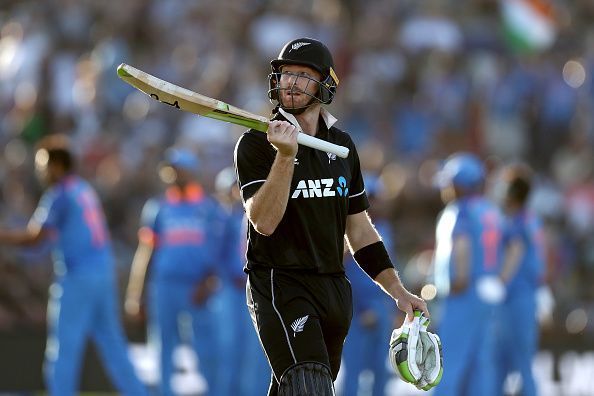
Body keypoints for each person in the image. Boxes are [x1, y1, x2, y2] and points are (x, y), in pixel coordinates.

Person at [233, 37, 428, 395]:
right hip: (280, 284)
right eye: (286, 73)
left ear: (325, 84)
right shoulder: (256, 144)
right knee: (310, 385)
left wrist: (398, 291)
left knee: (299, 387)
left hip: (334, 289)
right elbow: (264, 221)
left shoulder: (342, 146)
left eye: (303, 75)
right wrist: (285, 156)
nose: (291, 82)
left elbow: (359, 228)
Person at [0, 134, 148, 396]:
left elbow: (35, 239)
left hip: (78, 277)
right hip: (103, 274)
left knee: (64, 349)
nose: (39, 171)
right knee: (114, 346)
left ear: (57, 165)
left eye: (42, 164)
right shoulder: (83, 189)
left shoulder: (60, 194)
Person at [124, 147, 224, 396]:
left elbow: (220, 250)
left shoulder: (208, 208)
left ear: (191, 172)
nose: (173, 175)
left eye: (178, 169)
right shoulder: (158, 207)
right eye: (170, 170)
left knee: (204, 349)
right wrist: (136, 293)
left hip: (197, 288)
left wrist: (210, 281)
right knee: (162, 347)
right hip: (165, 286)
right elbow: (146, 252)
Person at [432, 152, 504, 396]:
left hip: (463, 294)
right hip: (486, 294)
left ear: (458, 184)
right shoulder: (490, 211)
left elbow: (461, 245)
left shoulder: (460, 211)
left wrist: (458, 279)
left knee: (448, 364)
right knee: (480, 367)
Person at [211, 166, 271, 396]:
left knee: (255, 351)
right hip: (230, 289)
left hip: (254, 289)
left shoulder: (255, 214)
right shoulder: (221, 218)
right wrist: (231, 275)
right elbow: (216, 255)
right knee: (228, 348)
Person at [341, 175, 397, 396]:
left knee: (380, 370)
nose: (372, 203)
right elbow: (341, 273)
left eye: (375, 197)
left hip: (381, 306)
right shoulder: (346, 230)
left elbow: (389, 269)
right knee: (353, 370)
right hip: (357, 308)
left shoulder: (384, 227)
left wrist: (391, 307)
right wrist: (363, 307)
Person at [495, 164, 545, 396]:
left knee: (508, 361)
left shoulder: (515, 221)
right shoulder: (531, 218)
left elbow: (515, 250)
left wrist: (499, 283)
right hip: (527, 296)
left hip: (515, 298)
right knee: (520, 360)